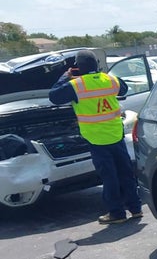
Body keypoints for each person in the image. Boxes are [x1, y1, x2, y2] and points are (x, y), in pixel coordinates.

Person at [49, 50, 142, 224]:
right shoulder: (110, 80)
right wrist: (101, 75)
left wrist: (65, 76)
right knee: (125, 172)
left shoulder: (76, 85)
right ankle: (136, 208)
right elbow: (124, 88)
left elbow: (54, 96)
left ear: (78, 67)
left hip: (97, 138)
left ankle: (117, 213)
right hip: (116, 134)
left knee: (109, 176)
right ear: (97, 65)